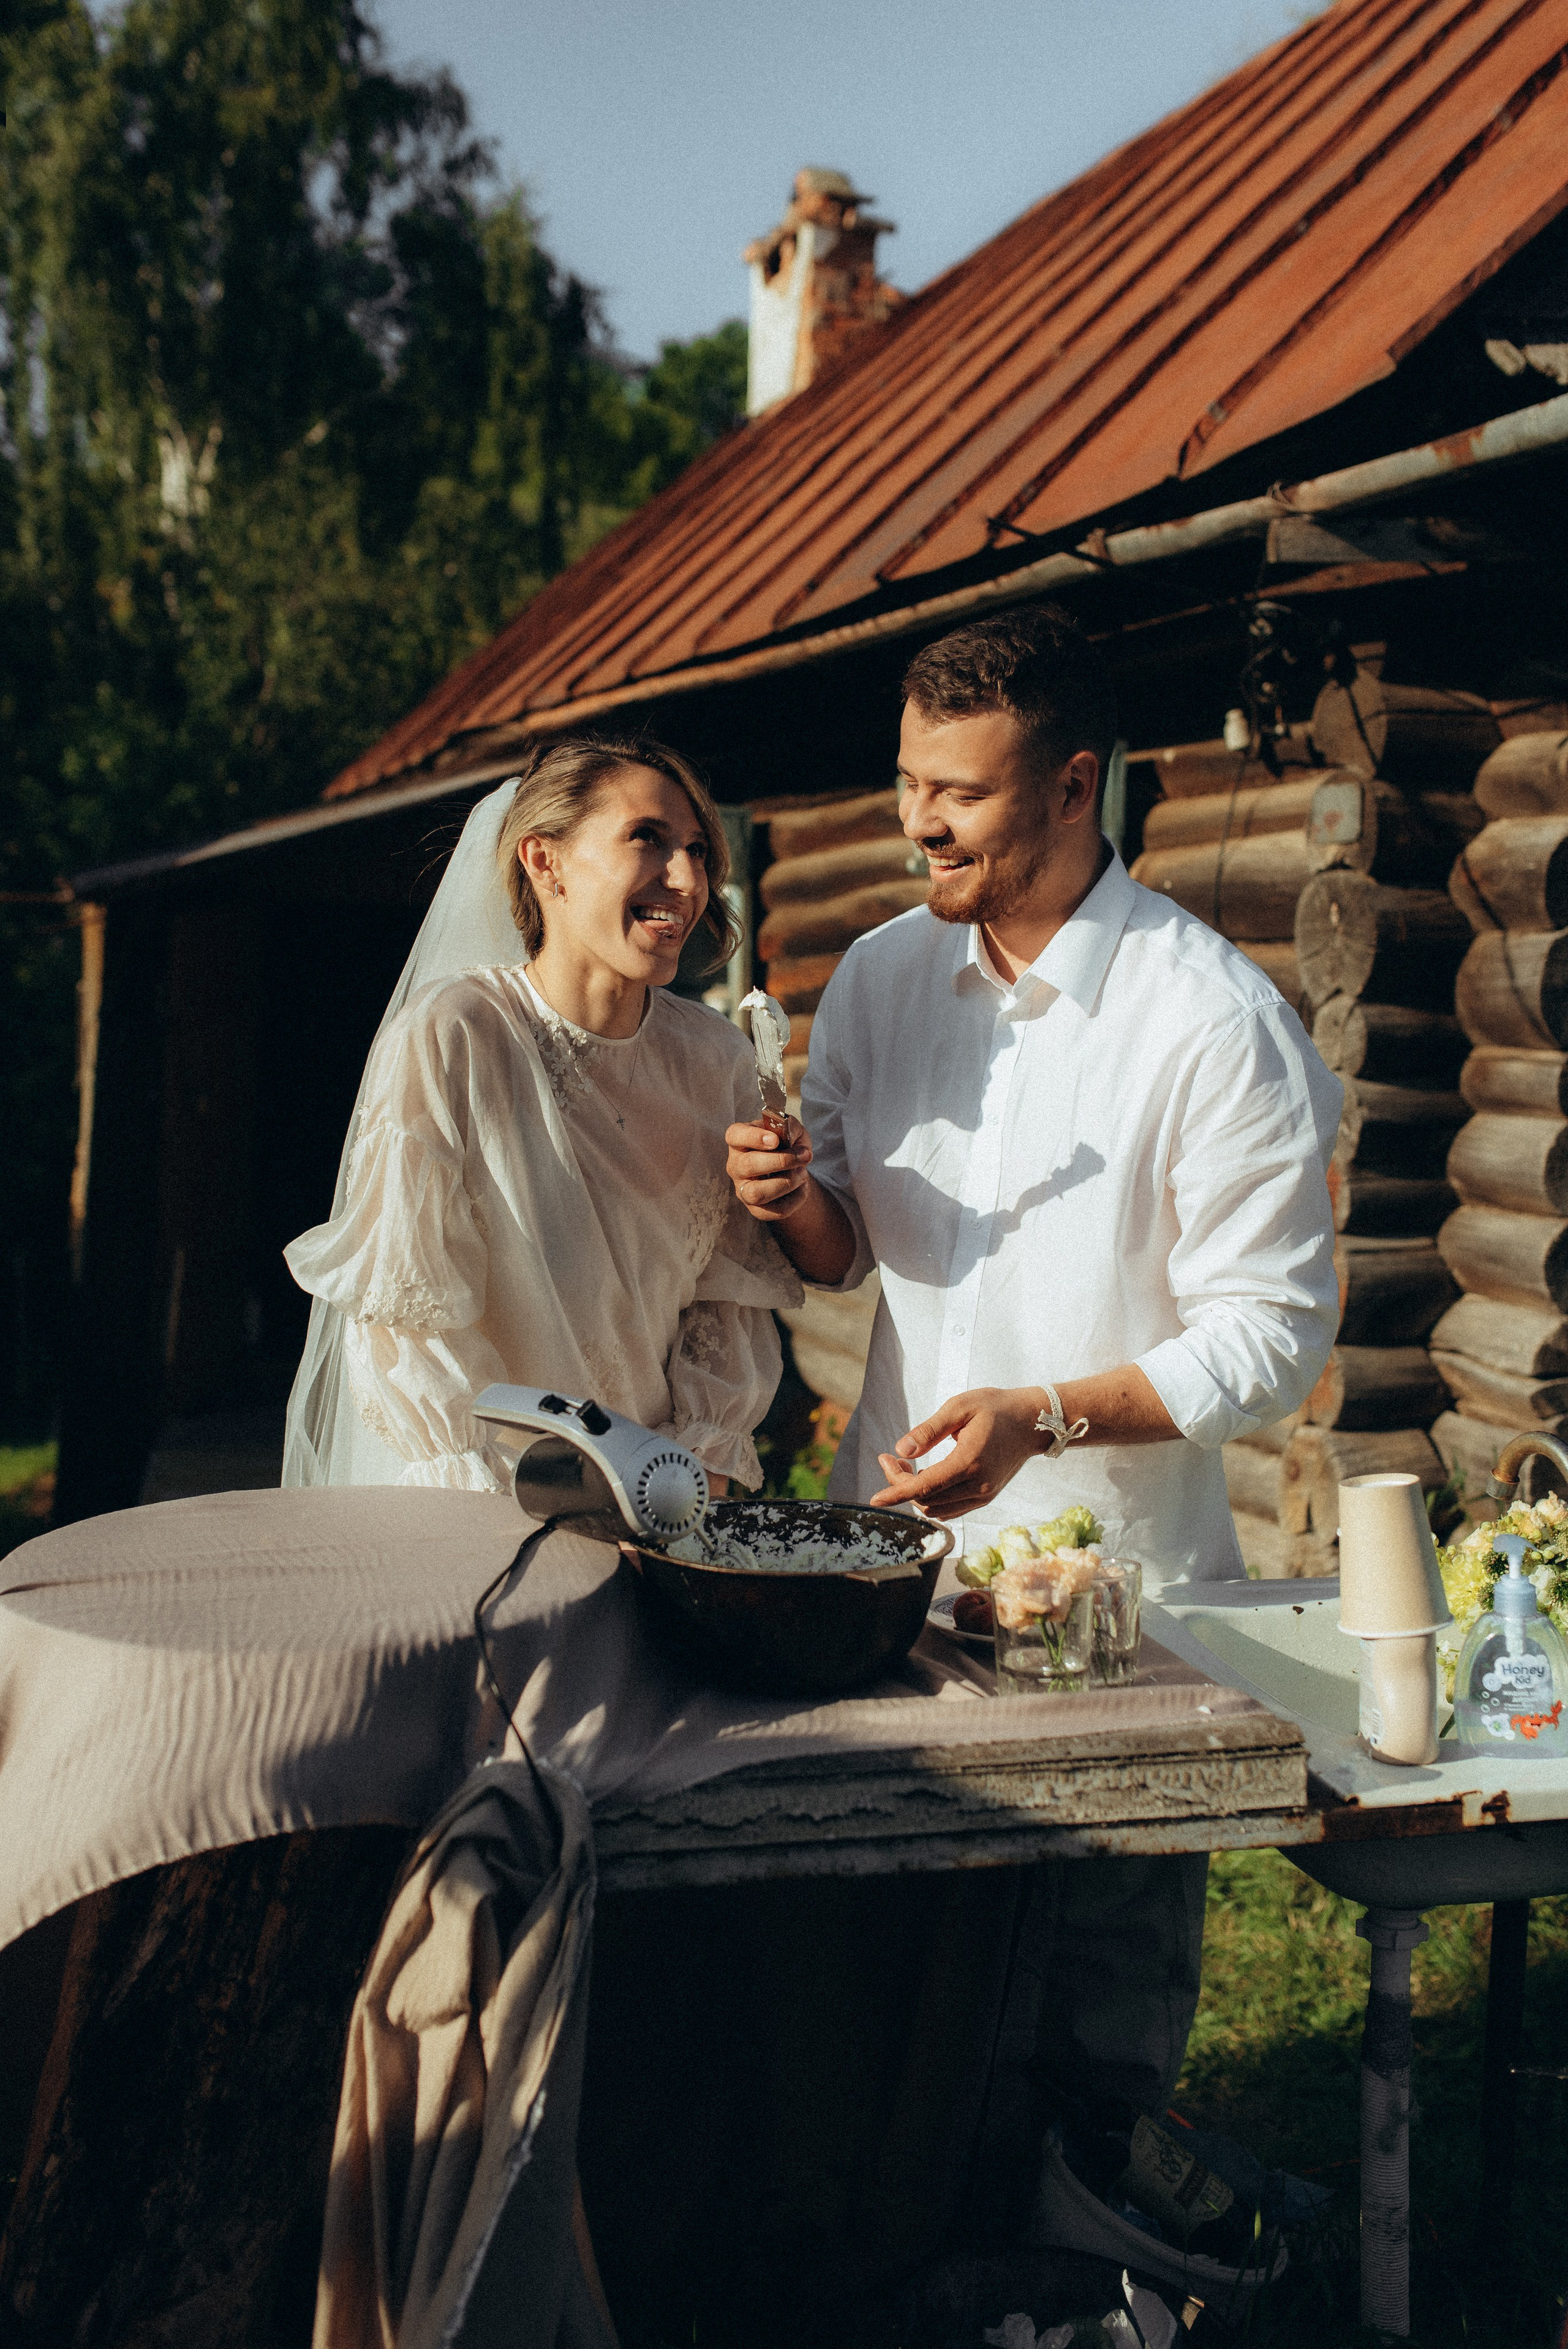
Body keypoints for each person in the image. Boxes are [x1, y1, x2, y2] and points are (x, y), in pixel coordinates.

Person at [725, 606, 1341, 2291]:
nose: (921, 821)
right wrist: (797, 1216)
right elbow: (853, 1254)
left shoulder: (1210, 1021)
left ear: (1077, 784)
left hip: (1113, 1612)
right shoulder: (872, 977)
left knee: (1093, 2003)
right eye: (910, 781)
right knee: (896, 1983)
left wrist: (1045, 1416)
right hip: (890, 1577)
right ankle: (908, 2280)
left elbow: (1272, 1334)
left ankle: (1095, 2291)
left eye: (965, 795)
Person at [284, 735, 799, 1493]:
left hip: (666, 1505)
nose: (689, 879)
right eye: (647, 839)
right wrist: (551, 1499)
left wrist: (687, 1478)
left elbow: (723, 1313)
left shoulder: (717, 1060)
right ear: (543, 861)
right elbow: (410, 1326)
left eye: (697, 850)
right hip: (493, 1510)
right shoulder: (454, 1033)